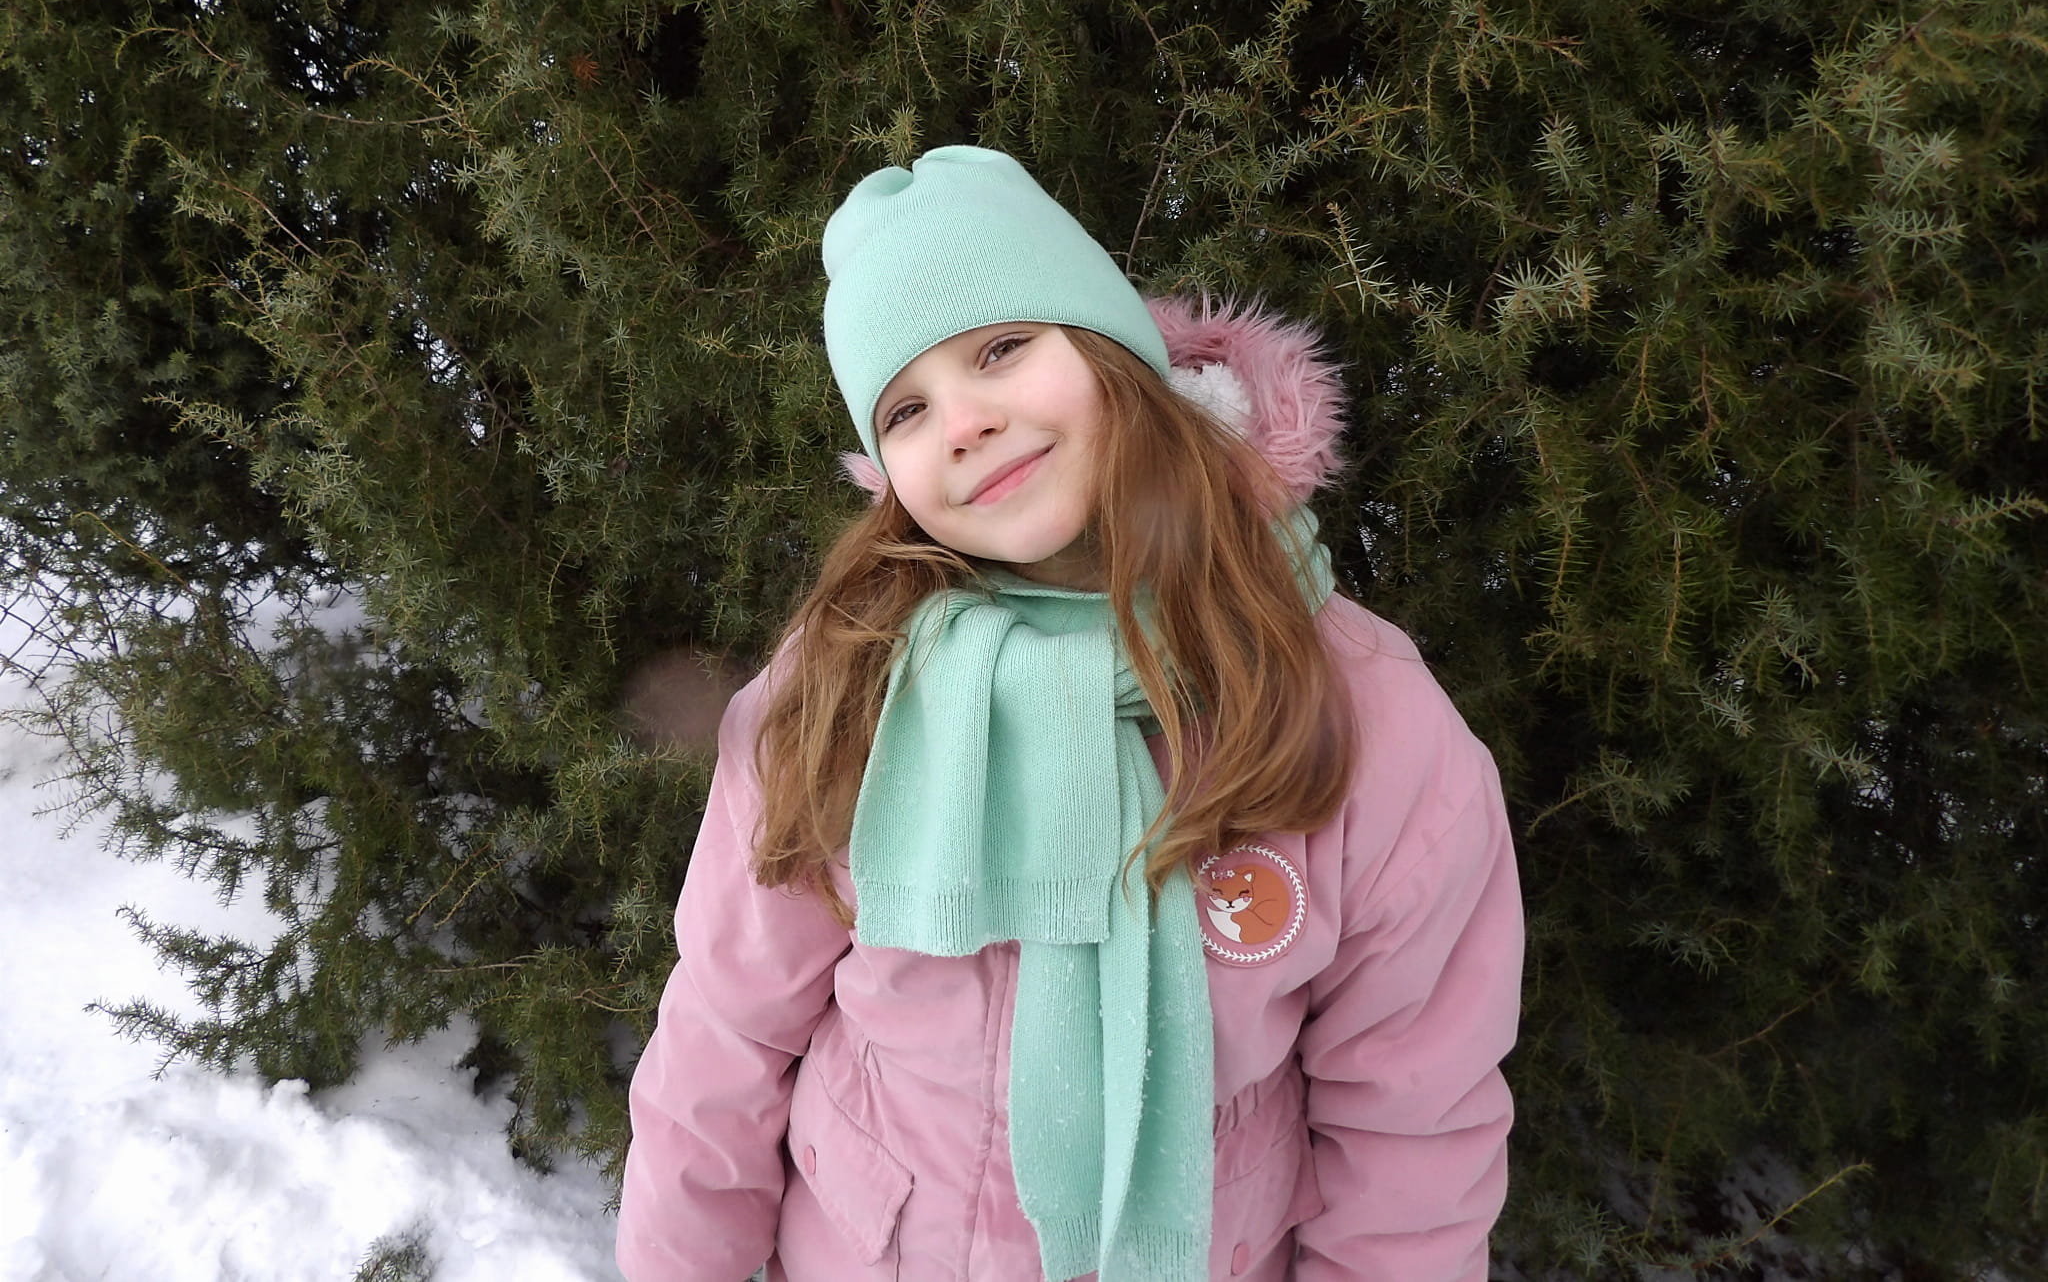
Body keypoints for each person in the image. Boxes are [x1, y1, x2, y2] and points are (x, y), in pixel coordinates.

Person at [616, 145, 1523, 1282]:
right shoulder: (850, 677)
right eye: (906, 408)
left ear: (1115, 352)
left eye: (1001, 347)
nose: (962, 421)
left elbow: (1411, 1128)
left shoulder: (1366, 717)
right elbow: (726, 1033)